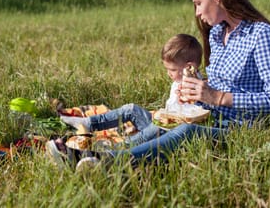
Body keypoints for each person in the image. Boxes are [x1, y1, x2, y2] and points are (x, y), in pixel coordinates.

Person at [49, 0, 270, 169]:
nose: (197, 13)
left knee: (185, 132)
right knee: (164, 123)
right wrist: (196, 89)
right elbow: (220, 85)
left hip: (240, 130)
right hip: (208, 118)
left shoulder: (262, 34)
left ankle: (110, 162)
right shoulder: (217, 34)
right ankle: (85, 154)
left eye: (198, 3)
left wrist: (218, 97)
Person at [46, 34, 204, 166]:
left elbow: (191, 116)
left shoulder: (194, 87)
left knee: (153, 129)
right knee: (132, 109)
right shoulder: (179, 82)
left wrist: (184, 98)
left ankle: (106, 153)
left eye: (172, 70)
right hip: (163, 123)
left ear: (189, 67)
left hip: (167, 129)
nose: (169, 74)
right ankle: (89, 122)